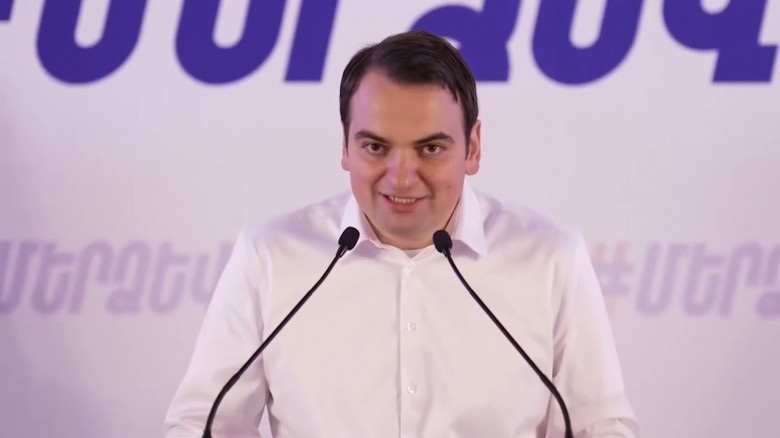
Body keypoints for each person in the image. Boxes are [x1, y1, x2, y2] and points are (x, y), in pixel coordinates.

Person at [164, 30, 639, 437]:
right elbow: (202, 426)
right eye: (376, 147)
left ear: (473, 148)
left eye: (430, 148)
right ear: (345, 146)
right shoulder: (269, 256)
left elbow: (600, 428)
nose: (402, 177)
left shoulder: (550, 258)